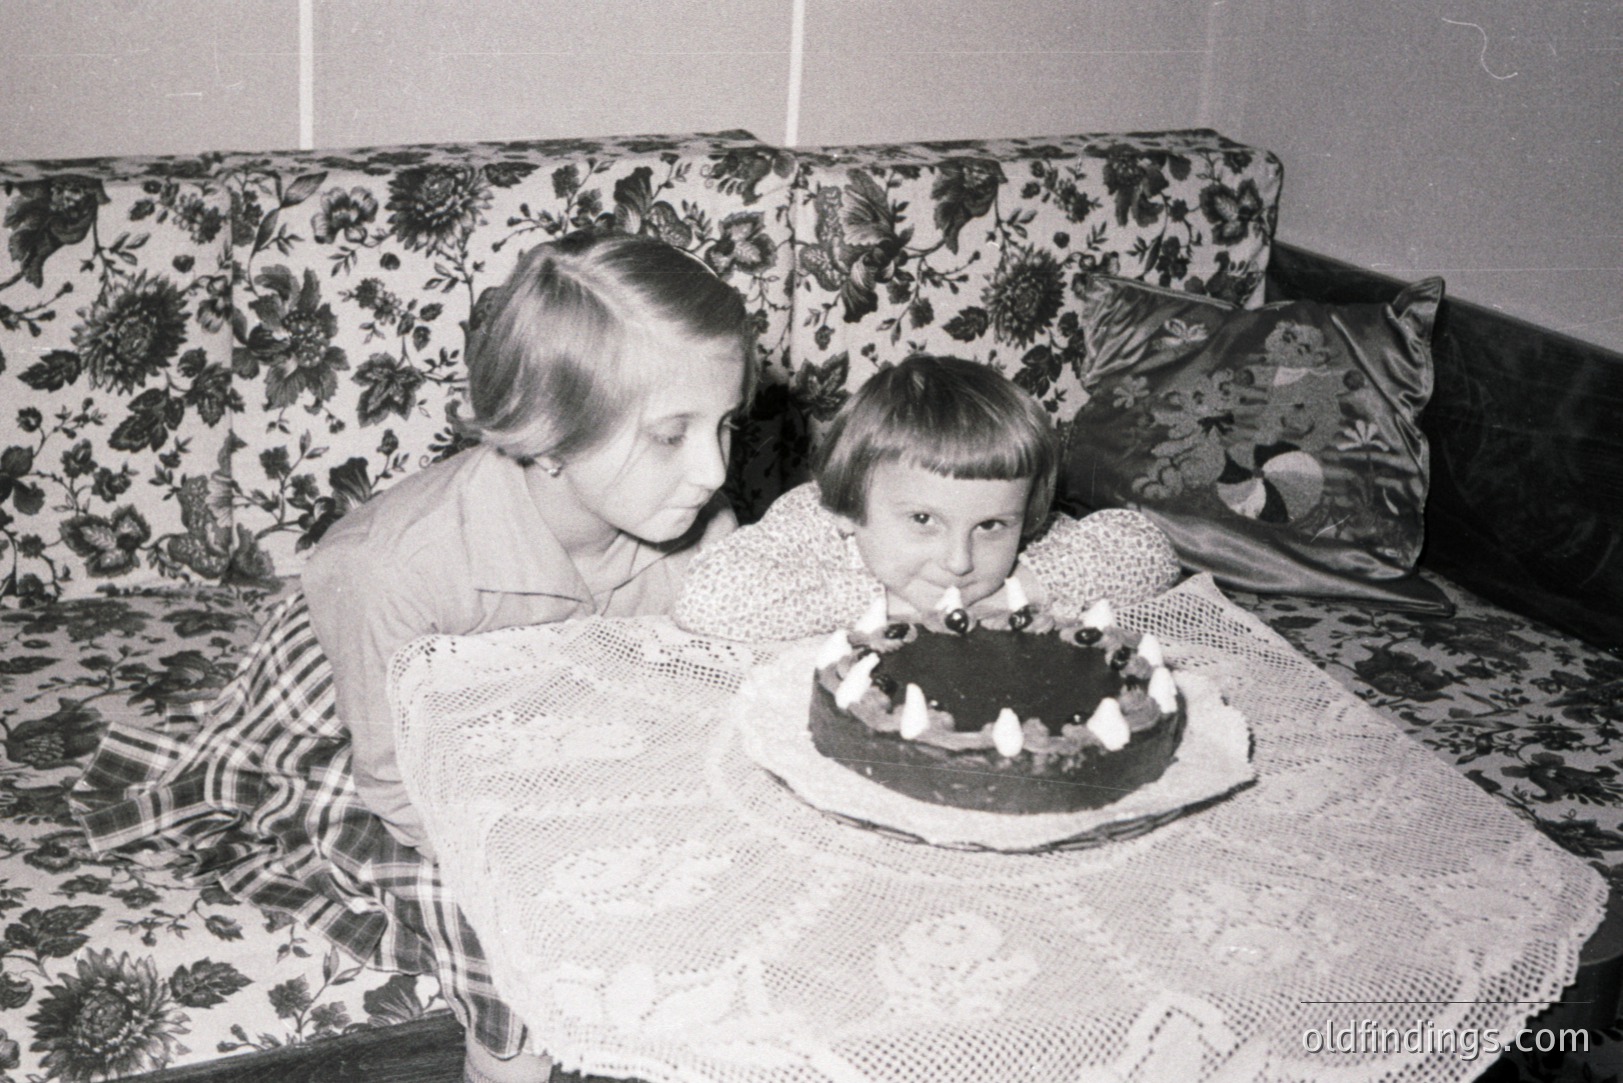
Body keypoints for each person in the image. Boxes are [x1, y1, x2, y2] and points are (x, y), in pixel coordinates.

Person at [71, 230, 755, 1083]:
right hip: (351, 746)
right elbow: (394, 779)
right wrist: (534, 875)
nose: (712, 468)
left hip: (536, 742)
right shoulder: (390, 564)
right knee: (507, 932)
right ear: (549, 432)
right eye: (669, 435)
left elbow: (675, 714)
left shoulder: (700, 536)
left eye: (724, 424)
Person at [674, 354, 1180, 641]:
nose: (960, 562)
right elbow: (708, 598)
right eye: (923, 519)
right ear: (845, 508)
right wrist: (891, 605)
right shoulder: (817, 520)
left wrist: (1010, 593)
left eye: (990, 527)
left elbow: (1147, 550)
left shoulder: (1020, 547)